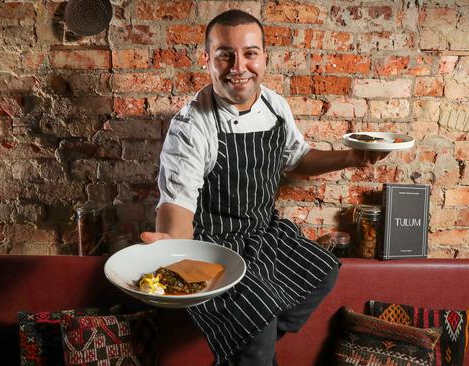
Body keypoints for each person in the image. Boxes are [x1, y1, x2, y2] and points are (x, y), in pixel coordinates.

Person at [140, 9, 387, 366]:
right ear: (207, 59)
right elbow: (177, 206)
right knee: (258, 322)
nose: (238, 66)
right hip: (215, 247)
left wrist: (353, 157)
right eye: (225, 54)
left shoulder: (275, 105)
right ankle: (252, 347)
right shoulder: (191, 126)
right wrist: (174, 248)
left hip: (263, 234)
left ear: (264, 58)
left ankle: (246, 350)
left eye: (249, 53)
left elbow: (297, 159)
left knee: (324, 272)